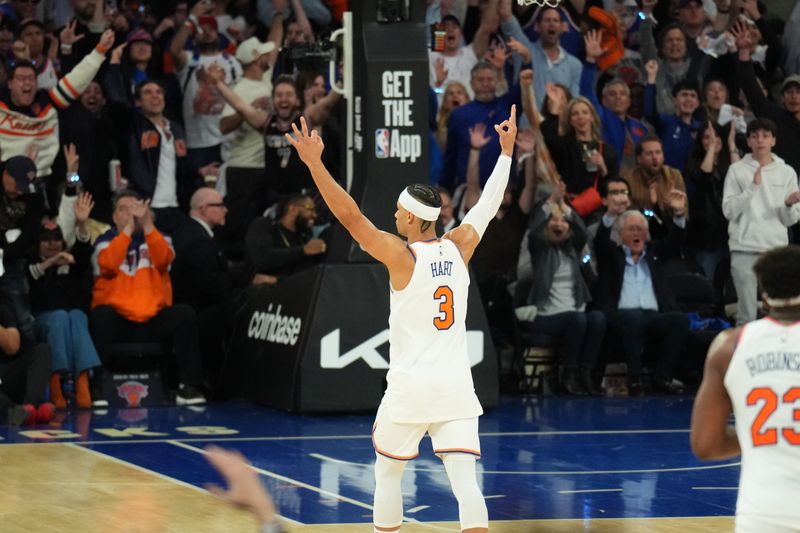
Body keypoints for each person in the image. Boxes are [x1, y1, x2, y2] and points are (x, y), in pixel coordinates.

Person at [286, 106, 519, 533]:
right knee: (467, 484)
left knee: (388, 474)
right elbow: (486, 204)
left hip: (412, 387)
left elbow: (351, 217)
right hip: (454, 385)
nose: (394, 216)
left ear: (412, 217)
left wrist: (314, 163)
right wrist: (505, 153)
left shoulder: (402, 255)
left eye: (397, 211)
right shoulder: (460, 246)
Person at [690, 245, 800, 532]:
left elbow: (706, 444)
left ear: (763, 296)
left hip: (762, 516)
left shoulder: (729, 346)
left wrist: (763, 432)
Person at [89, 190, 206, 406]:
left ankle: (189, 387)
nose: (130, 214)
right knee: (101, 316)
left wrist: (148, 224)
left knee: (184, 314)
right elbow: (107, 265)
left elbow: (164, 260)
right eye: (124, 209)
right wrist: (127, 232)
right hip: (119, 320)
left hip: (153, 318)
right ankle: (95, 387)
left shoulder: (161, 239)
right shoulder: (103, 242)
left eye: (136, 209)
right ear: (114, 217)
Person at [593, 195, 690, 395]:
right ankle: (635, 379)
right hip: (622, 317)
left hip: (653, 316)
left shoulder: (655, 253)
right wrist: (611, 213)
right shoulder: (612, 255)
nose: (637, 233)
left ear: (647, 234)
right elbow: (600, 241)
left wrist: (679, 213)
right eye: (631, 229)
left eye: (641, 229)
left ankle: (662, 377)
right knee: (633, 317)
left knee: (679, 320)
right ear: (620, 235)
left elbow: (676, 240)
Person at [525, 183, 606, 395]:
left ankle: (585, 373)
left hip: (574, 313)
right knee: (578, 319)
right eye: (553, 219)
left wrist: (567, 210)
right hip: (547, 315)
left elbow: (582, 233)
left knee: (597, 318)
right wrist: (552, 202)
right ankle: (569, 373)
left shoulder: (573, 250)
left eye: (563, 221)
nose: (558, 223)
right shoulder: (540, 250)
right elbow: (533, 232)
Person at [722, 118, 800, 325]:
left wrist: (789, 205)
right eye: (755, 136)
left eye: (765, 136)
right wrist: (752, 188)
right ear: (748, 141)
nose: (760, 140)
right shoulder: (737, 170)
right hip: (743, 248)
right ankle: (742, 357)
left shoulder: (787, 172)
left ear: (773, 140)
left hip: (775, 251)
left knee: (779, 315)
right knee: (746, 315)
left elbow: (790, 220)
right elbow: (728, 211)